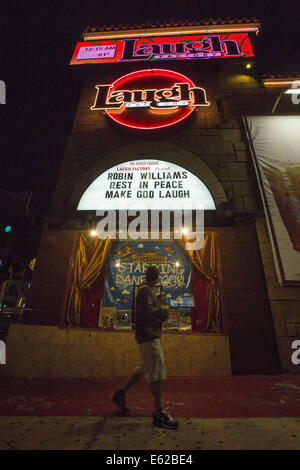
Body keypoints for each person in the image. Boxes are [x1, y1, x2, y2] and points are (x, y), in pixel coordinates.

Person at [112, 265, 179, 430]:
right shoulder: (145, 290)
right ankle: (158, 411)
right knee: (156, 371)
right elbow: (150, 313)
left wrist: (158, 303)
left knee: (144, 368)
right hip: (149, 336)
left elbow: (148, 310)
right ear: (155, 276)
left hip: (145, 336)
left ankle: (121, 393)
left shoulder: (146, 291)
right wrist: (163, 310)